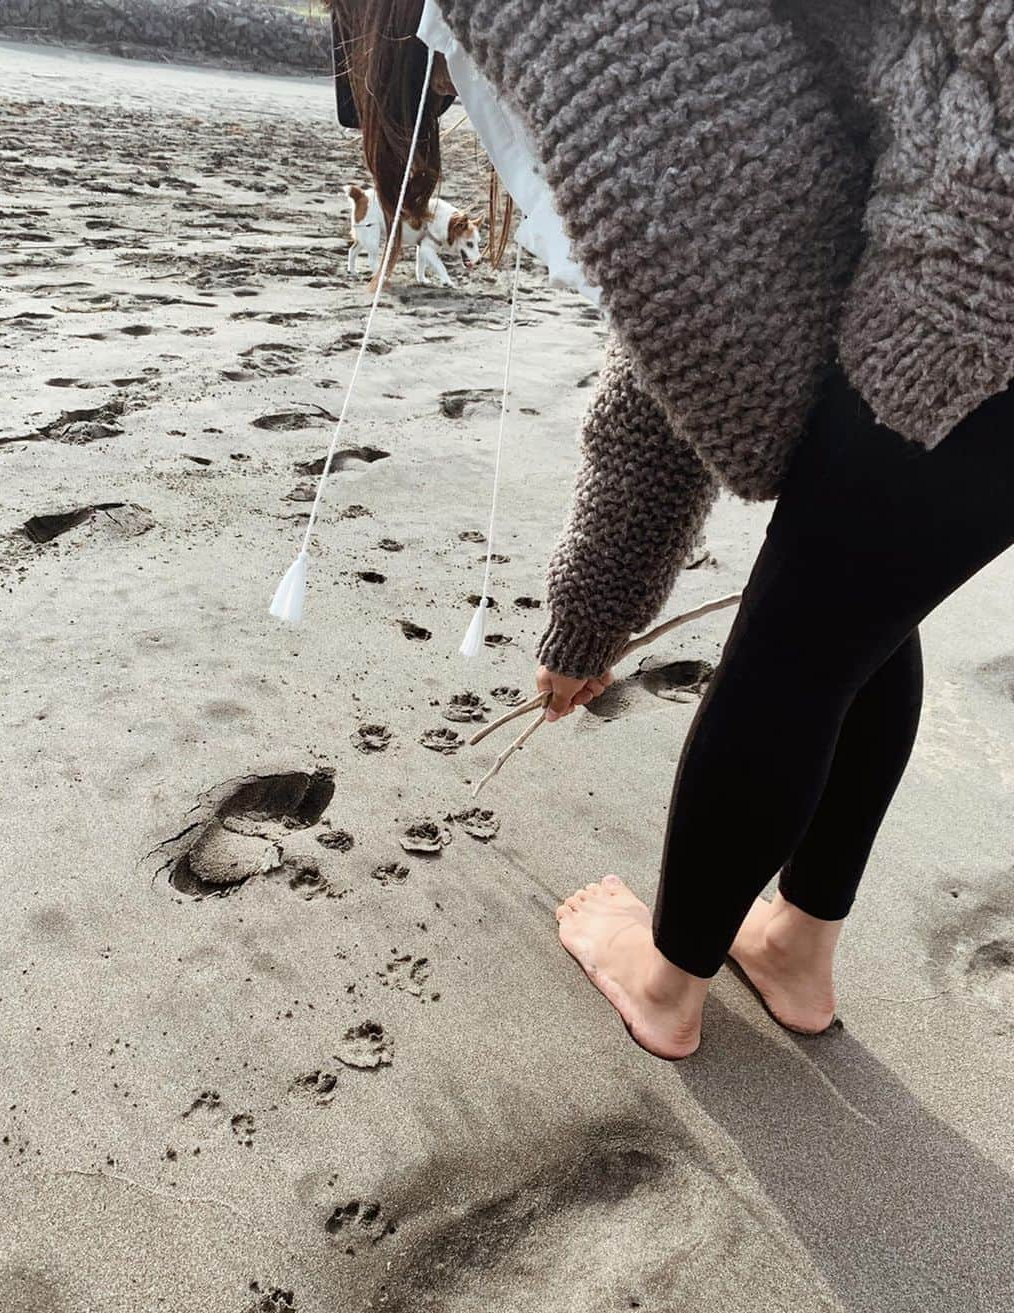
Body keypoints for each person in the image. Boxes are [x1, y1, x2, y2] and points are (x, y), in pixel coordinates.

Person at [330, 0, 1014, 1058]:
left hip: (981, 278)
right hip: (978, 228)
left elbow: (696, 320)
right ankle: (794, 944)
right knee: (865, 595)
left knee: (798, 642)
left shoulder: (567, 16)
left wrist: (593, 611)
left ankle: (665, 980)